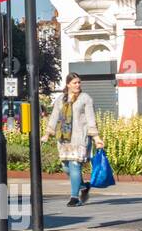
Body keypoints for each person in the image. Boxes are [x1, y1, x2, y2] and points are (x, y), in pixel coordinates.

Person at [43, 72, 105, 207]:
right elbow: (54, 116)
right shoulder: (61, 99)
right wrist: (47, 133)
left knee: (75, 165)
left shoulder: (85, 98)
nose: (77, 85)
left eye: (79, 82)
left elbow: (90, 119)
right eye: (74, 83)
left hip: (79, 138)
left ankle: (74, 197)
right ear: (68, 85)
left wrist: (96, 138)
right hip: (64, 138)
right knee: (66, 168)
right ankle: (83, 186)